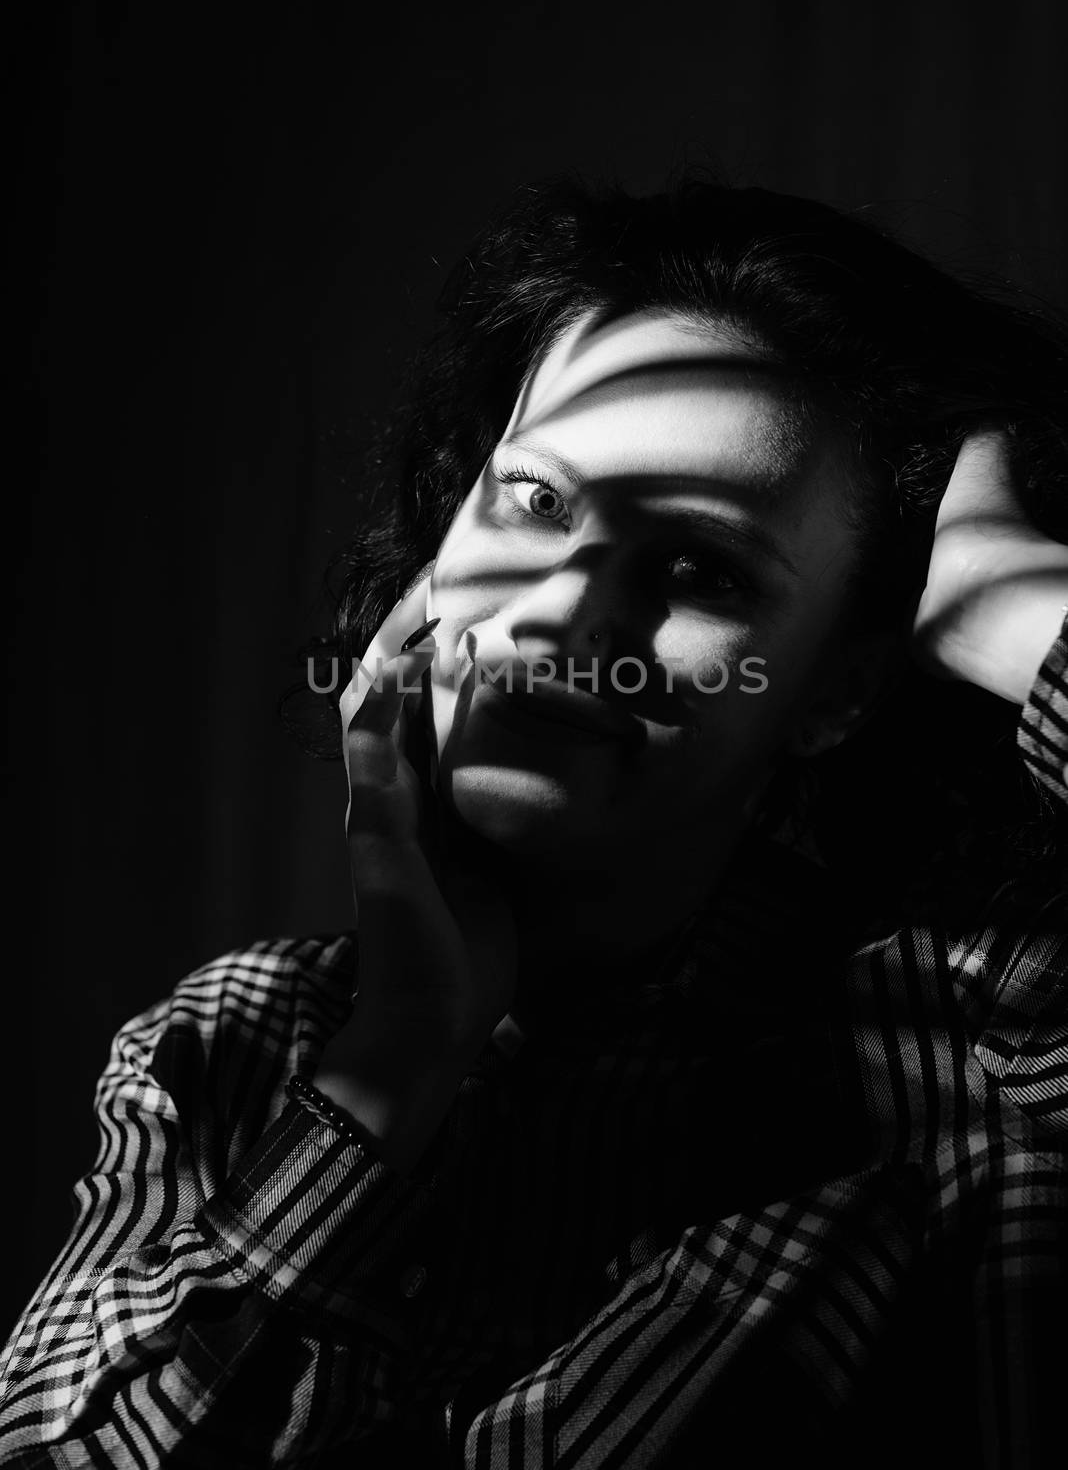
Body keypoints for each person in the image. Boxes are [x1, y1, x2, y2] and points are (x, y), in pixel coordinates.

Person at [2, 177, 1066, 1469]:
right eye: (537, 503)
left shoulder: (979, 1064)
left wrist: (1000, 603)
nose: (562, 614)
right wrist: (397, 1062)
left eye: (700, 568)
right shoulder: (235, 1048)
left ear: (835, 689)